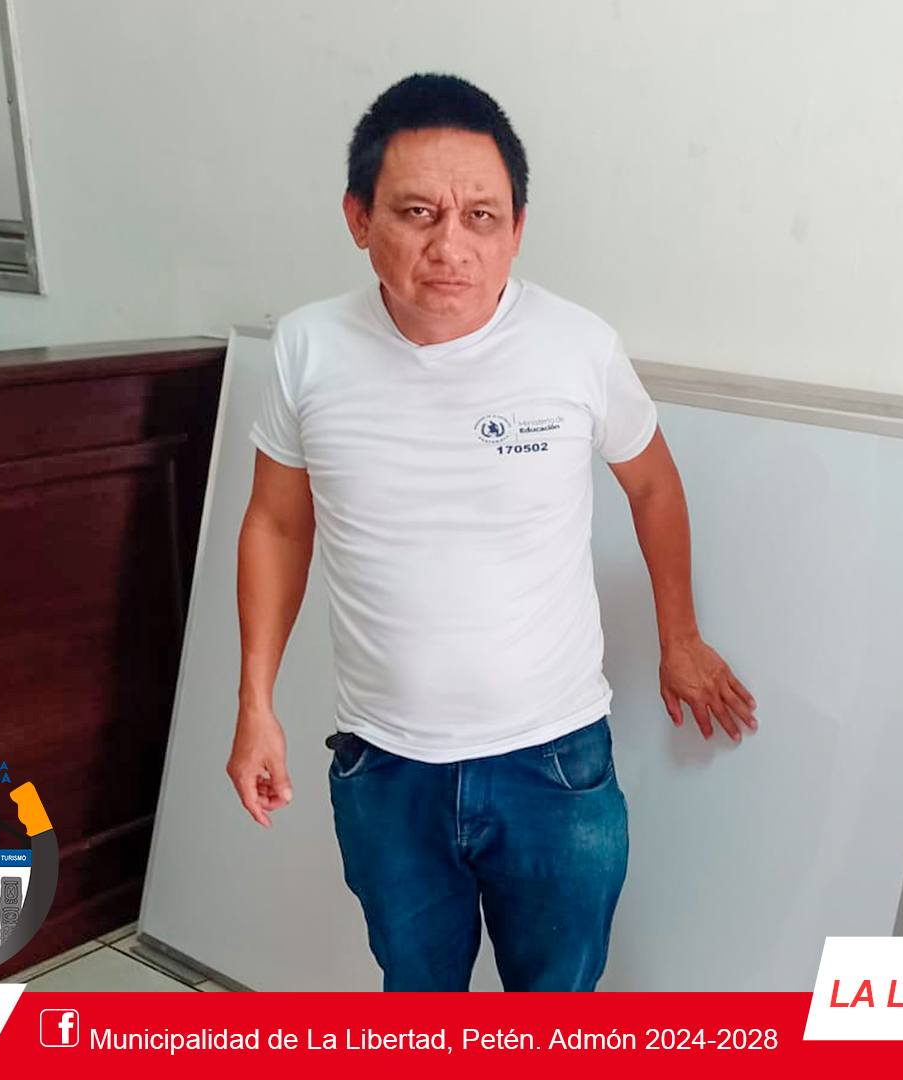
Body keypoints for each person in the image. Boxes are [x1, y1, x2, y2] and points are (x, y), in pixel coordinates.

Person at [226, 73, 756, 990]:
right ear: (358, 218)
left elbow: (654, 485)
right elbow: (276, 524)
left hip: (554, 765)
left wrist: (680, 636)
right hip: (386, 766)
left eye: (481, 217)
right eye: (417, 213)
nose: (451, 247)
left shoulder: (578, 346)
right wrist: (255, 702)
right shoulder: (308, 348)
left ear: (517, 229)